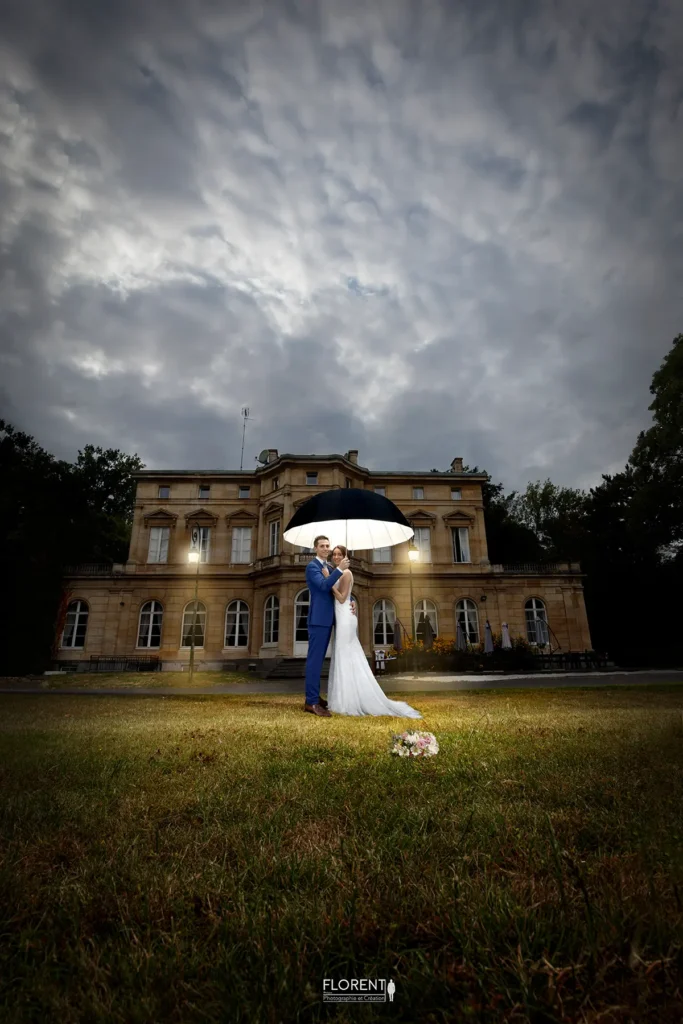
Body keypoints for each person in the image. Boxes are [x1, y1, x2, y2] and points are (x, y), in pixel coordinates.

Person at [325, 545, 422, 718]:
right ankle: (343, 696)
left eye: (340, 554)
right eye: (335, 554)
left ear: (346, 557)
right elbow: (347, 597)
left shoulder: (346, 573)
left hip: (345, 617)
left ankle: (350, 700)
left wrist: (329, 582)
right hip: (342, 616)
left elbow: (341, 598)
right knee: (344, 655)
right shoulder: (339, 572)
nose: (336, 557)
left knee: (345, 654)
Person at [303, 535, 349, 717]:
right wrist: (339, 570)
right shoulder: (312, 567)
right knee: (314, 662)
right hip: (318, 620)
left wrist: (350, 600)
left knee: (320, 661)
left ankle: (315, 697)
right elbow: (323, 587)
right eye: (322, 546)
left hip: (329, 619)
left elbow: (336, 589)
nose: (326, 549)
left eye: (327, 546)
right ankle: (311, 702)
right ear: (315, 548)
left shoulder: (328, 567)